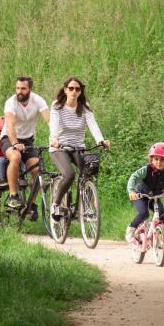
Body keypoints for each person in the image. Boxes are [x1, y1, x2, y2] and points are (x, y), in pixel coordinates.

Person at [49, 76, 110, 220]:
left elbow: (93, 125)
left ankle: (83, 209)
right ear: (65, 90)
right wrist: (54, 139)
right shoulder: (57, 105)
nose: (74, 91)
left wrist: (101, 140)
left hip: (78, 147)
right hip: (60, 147)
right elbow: (54, 124)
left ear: (80, 92)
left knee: (88, 173)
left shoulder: (84, 107)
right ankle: (56, 204)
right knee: (69, 175)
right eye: (71, 88)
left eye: (77, 89)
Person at [0, 76, 50, 220]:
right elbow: (10, 125)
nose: (19, 91)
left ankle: (32, 204)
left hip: (27, 139)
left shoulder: (38, 100)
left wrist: (55, 136)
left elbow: (48, 119)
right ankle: (13, 196)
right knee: (15, 157)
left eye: (23, 88)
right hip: (9, 138)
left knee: (36, 170)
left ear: (30, 89)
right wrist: (15, 143)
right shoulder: (11, 102)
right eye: (17, 88)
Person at [125, 142, 164, 243]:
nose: (159, 162)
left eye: (162, 160)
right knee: (144, 213)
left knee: (162, 214)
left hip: (155, 197)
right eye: (156, 159)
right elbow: (133, 177)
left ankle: (160, 239)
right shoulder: (146, 170)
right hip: (141, 195)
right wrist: (131, 191)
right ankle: (130, 230)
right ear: (151, 159)